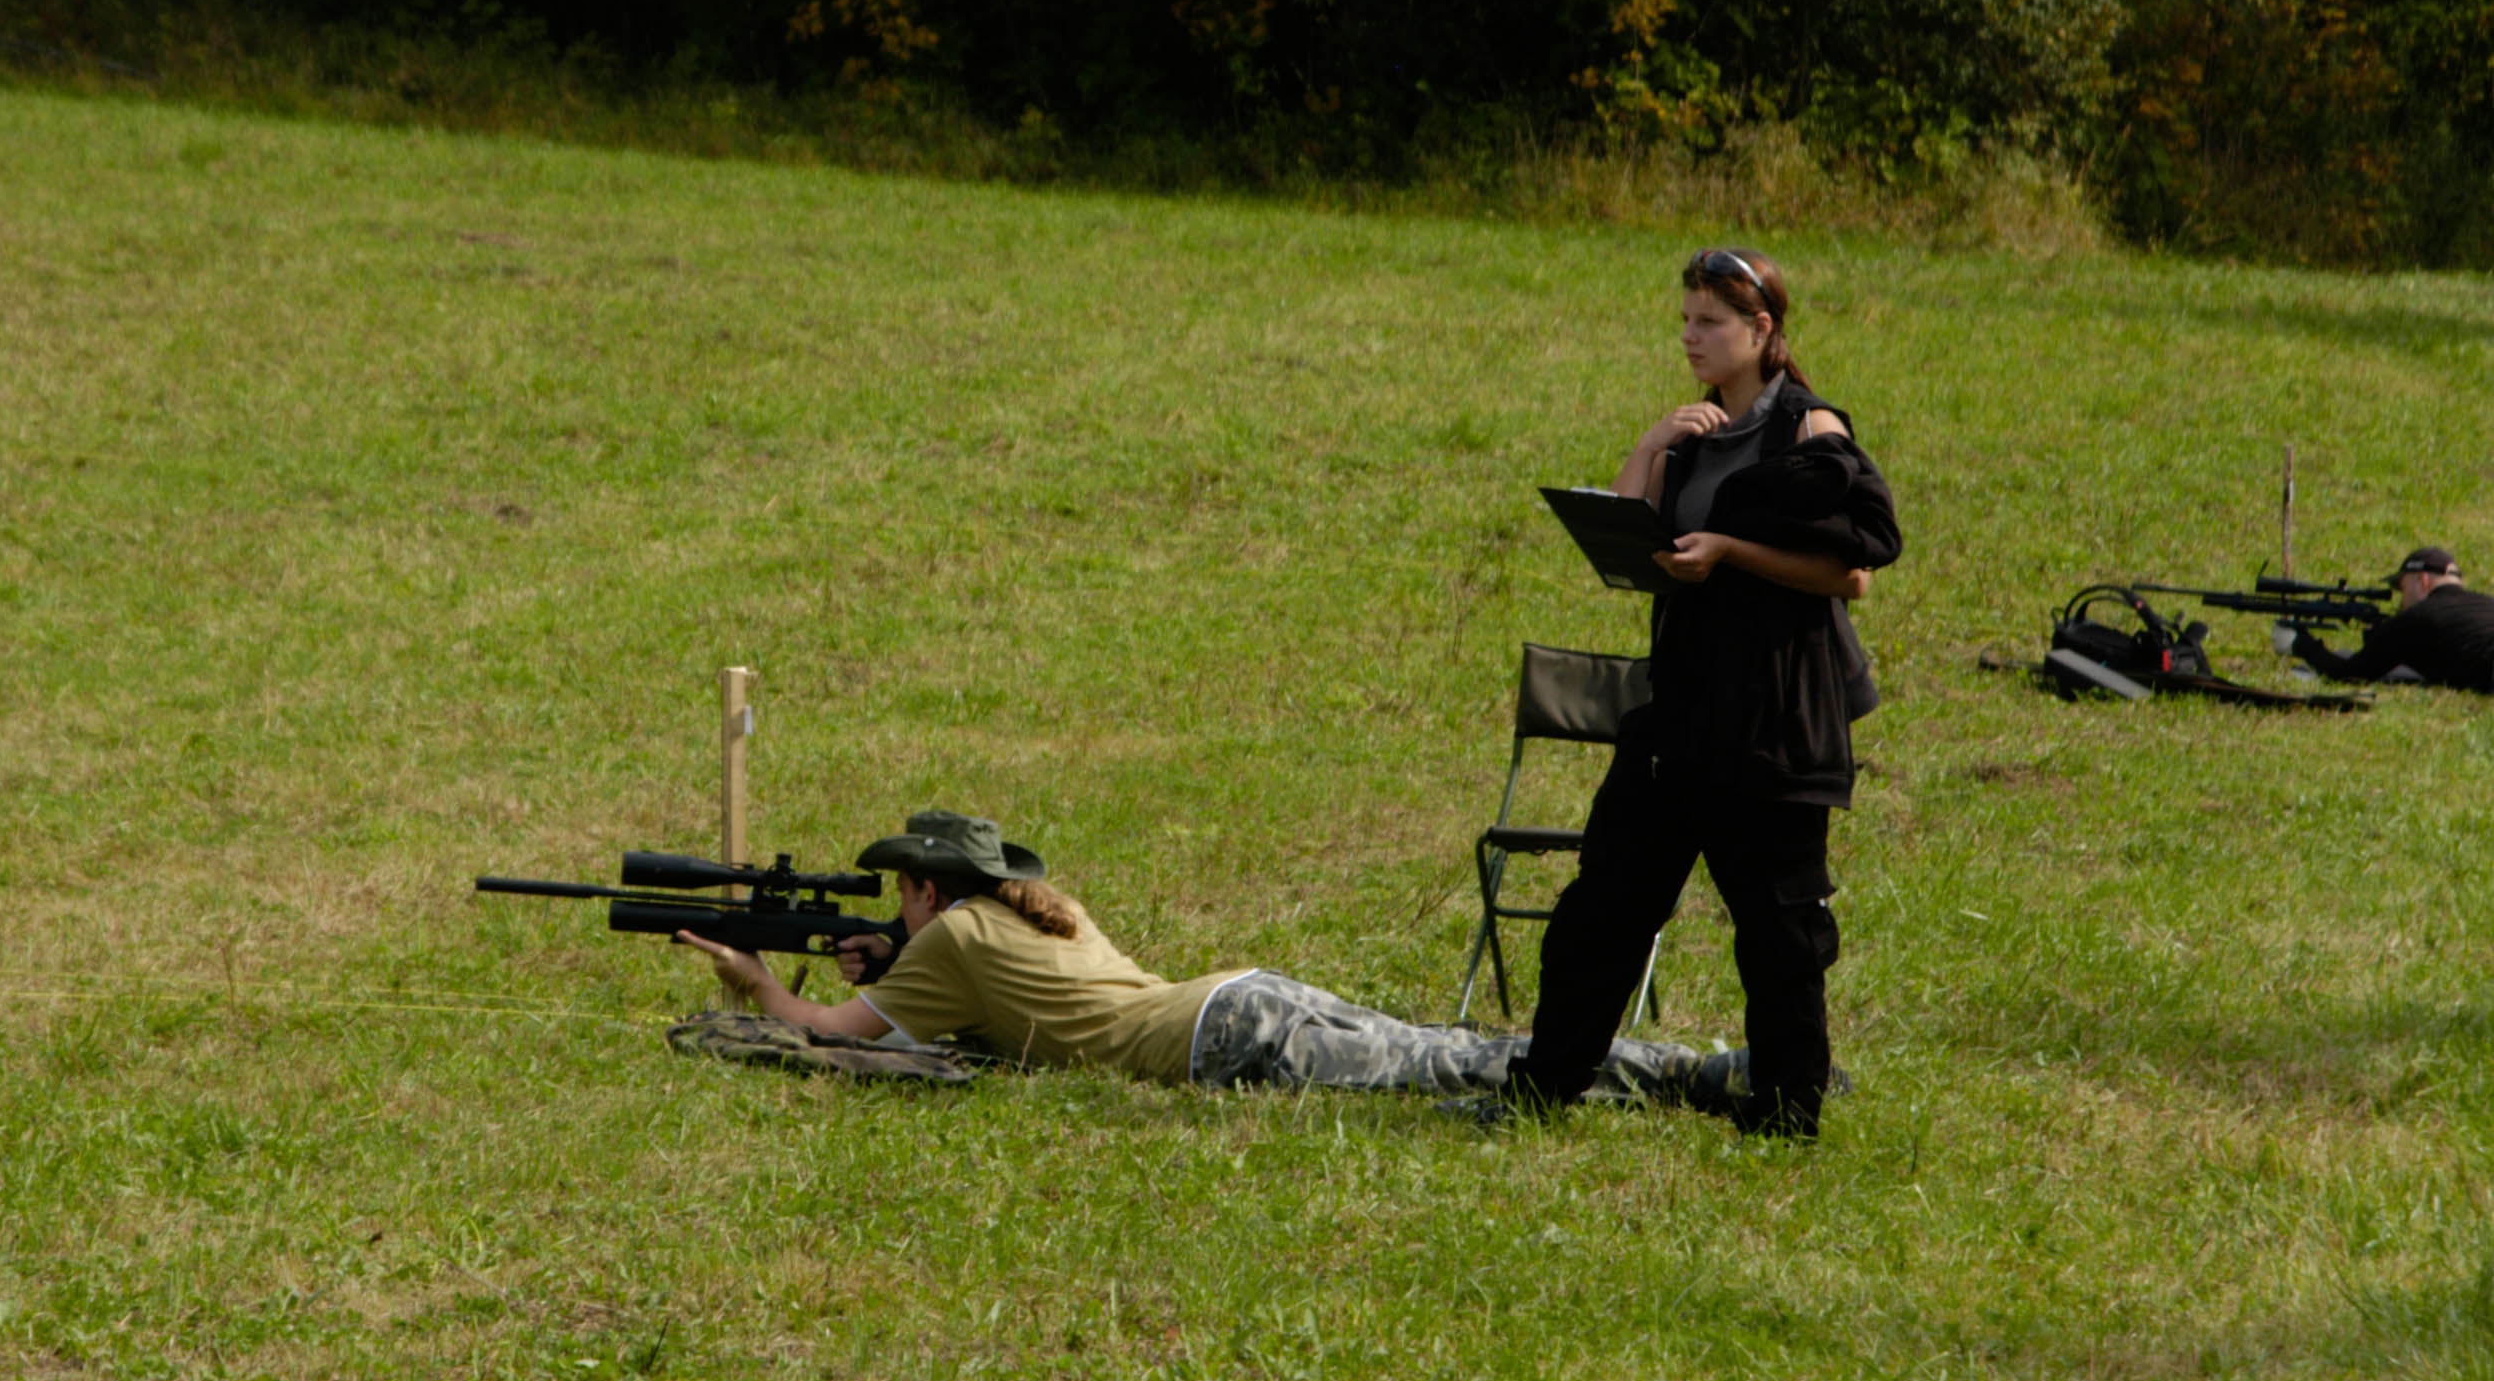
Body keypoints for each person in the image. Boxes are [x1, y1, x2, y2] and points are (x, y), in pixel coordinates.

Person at [1505, 248, 1901, 1140]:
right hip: (1680, 714)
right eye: (1684, 320)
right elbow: (1625, 539)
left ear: (1761, 330)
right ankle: (1540, 1094)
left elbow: (1856, 573)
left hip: (1775, 723)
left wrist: (1730, 552)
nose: (1690, 337)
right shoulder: (1695, 431)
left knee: (1779, 936)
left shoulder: (1809, 428)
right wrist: (1652, 443)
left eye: (1709, 323)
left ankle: (1786, 1119)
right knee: (1600, 911)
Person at [676, 810, 1758, 1116]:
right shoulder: (1031, 911)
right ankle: (1691, 1069)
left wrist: (754, 982)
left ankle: (1692, 1077)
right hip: (1240, 997)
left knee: (1455, 1068)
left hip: (1219, 1041)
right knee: (1453, 1047)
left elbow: (826, 1033)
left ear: (923, 890)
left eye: (900, 894)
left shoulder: (948, 942)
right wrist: (884, 960)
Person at [2287, 547, 2494, 692]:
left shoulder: (2416, 618)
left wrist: (2300, 644)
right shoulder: (2487, 603)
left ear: (2423, 580)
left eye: (2402, 588)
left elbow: (2351, 673)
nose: (2401, 600)